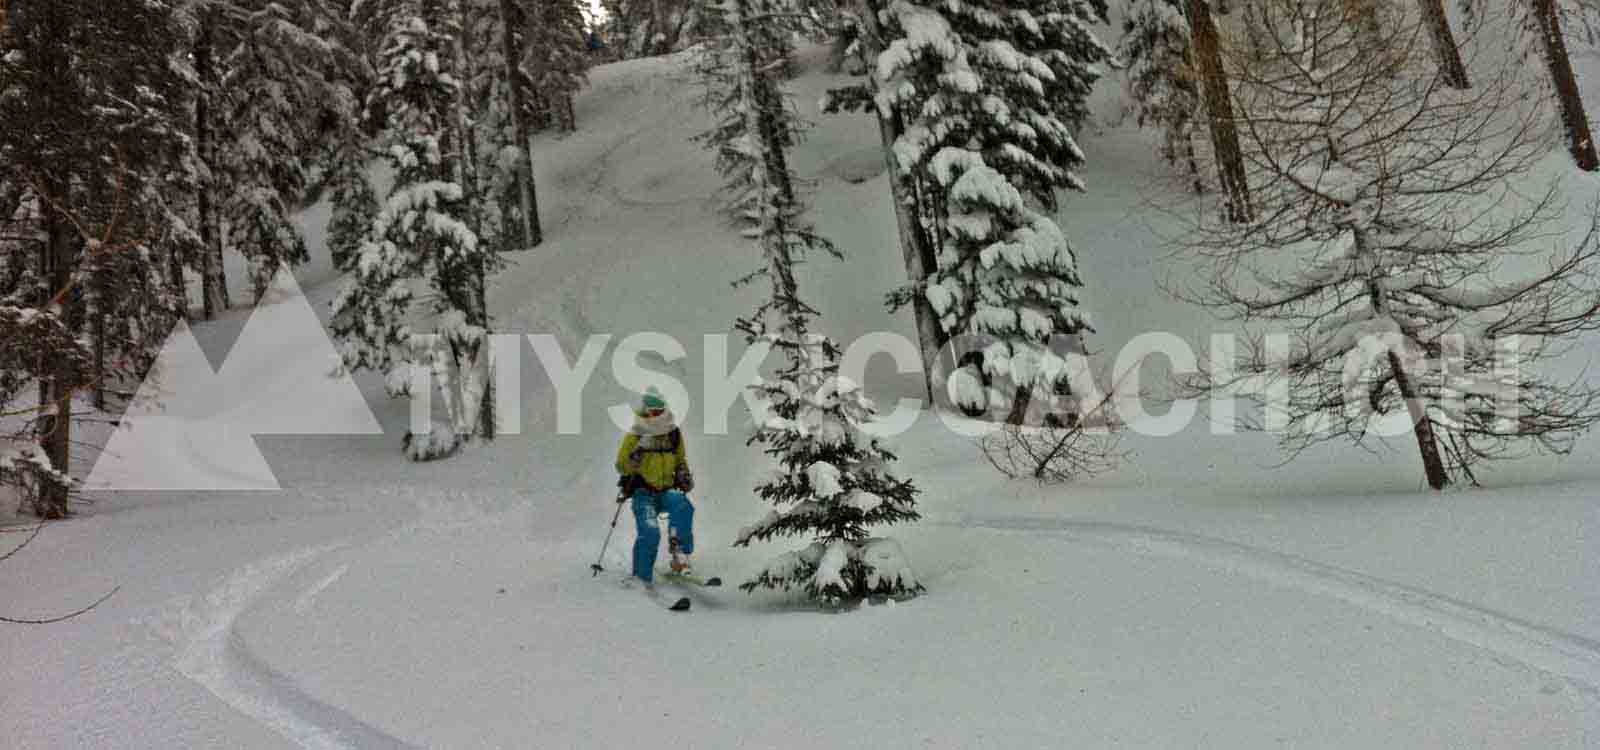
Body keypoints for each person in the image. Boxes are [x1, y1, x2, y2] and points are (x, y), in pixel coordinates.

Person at [615, 388, 696, 584]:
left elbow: (679, 459)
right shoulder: (636, 434)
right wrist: (636, 453)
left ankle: (680, 555)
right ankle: (641, 576)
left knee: (684, 506)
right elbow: (621, 466)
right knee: (650, 531)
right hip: (643, 493)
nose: (656, 414)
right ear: (644, 410)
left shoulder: (673, 433)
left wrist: (684, 473)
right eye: (652, 410)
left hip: (666, 491)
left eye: (659, 410)